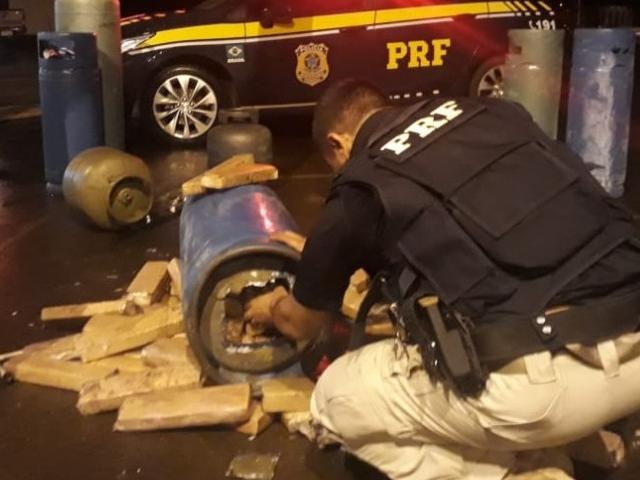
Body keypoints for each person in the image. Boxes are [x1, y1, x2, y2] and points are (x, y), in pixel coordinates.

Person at [245, 79, 640, 480]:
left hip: (542, 393)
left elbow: (301, 323)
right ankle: (587, 439)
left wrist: (273, 305)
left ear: (337, 144)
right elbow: (494, 226)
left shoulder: (361, 184)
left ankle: (525, 471)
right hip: (633, 339)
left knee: (336, 396)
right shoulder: (490, 115)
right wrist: (324, 255)